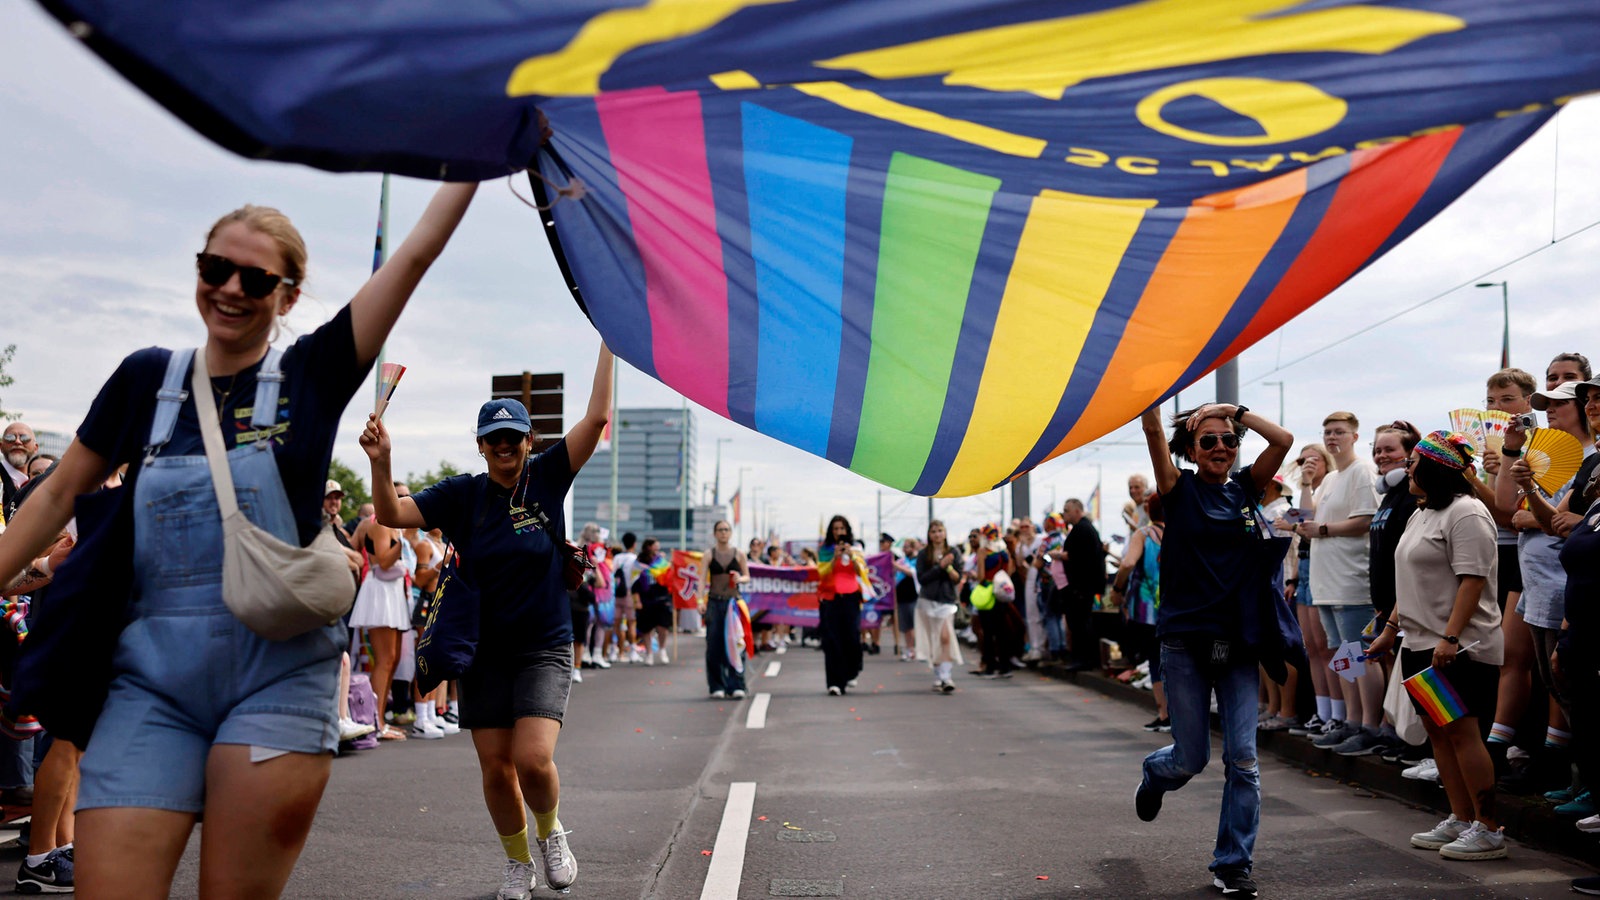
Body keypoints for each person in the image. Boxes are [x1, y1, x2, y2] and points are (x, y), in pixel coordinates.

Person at [0, 182, 478, 896]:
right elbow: (59, 493)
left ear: (287, 296)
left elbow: (412, 258)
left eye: (255, 278)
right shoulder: (144, 379)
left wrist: (474, 163)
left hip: (278, 679)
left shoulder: (312, 375)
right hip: (150, 678)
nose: (229, 288)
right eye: (213, 268)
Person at [362, 342, 612, 899]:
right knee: (497, 768)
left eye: (514, 437)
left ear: (530, 441)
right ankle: (517, 863)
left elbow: (596, 417)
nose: (505, 446)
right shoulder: (463, 494)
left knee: (533, 758)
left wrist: (608, 339)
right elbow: (391, 514)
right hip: (483, 651)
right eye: (493, 439)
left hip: (544, 645)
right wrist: (381, 462)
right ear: (480, 446)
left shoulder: (548, 477)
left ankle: (551, 835)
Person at [1133, 401, 1293, 899]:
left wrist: (1234, 411)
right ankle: (1156, 773)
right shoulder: (1177, 490)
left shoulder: (1247, 487)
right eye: (1209, 440)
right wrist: (1152, 393)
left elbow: (1283, 442)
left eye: (1229, 439)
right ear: (1192, 449)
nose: (1221, 446)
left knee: (1243, 759)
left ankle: (1232, 863)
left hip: (1239, 641)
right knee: (1191, 758)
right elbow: (1154, 426)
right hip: (1183, 640)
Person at [1366, 431, 1504, 861]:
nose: (1406, 468)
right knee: (1438, 734)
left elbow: (1472, 580)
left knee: (1462, 733)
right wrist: (1390, 629)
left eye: (1413, 462)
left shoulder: (1467, 513)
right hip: (1420, 643)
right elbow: (1407, 585)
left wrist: (1450, 637)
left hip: (1461, 647)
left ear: (1433, 468)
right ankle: (1460, 817)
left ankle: (1489, 827)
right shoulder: (1421, 512)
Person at [1297, 412, 1382, 756]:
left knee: (1359, 655)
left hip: (1350, 580)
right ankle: (1352, 720)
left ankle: (1370, 726)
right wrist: (1304, 483)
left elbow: (1367, 519)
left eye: (1339, 432)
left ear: (1354, 436)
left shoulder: (1361, 472)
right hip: (1326, 582)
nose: (1332, 438)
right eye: (1328, 432)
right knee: (1343, 656)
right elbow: (1306, 520)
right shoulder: (1331, 479)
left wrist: (1325, 530)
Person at [349, 500, 411, 740]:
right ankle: (375, 722)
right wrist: (402, 542)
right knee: (384, 660)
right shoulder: (381, 525)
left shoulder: (392, 528)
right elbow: (384, 561)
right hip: (380, 592)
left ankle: (380, 719)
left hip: (392, 591)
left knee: (392, 660)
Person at [1114, 495, 1167, 731]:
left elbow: (1127, 564)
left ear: (1149, 509)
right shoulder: (1181, 533)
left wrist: (1117, 588)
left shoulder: (1143, 534)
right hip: (1177, 604)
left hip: (1147, 609)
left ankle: (1165, 714)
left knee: (1156, 659)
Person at [817, 515, 870, 696]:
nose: (839, 532)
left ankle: (852, 671)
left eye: (842, 529)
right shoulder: (825, 549)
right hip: (831, 598)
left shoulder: (856, 548)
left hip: (851, 598)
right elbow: (822, 573)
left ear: (847, 530)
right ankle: (834, 682)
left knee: (852, 637)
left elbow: (862, 572)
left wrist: (851, 556)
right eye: (835, 529)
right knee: (832, 640)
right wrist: (835, 557)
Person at [698, 520, 749, 699]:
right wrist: (700, 600)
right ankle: (716, 685)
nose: (723, 533)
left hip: (733, 604)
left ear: (731, 533)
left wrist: (739, 580)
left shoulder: (739, 554)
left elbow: (747, 576)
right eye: (720, 530)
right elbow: (702, 579)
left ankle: (736, 684)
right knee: (714, 645)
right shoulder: (709, 554)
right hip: (714, 602)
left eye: (726, 530)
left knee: (736, 643)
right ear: (715, 533)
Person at [914, 520, 964, 692]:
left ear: (945, 533)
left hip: (947, 600)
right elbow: (922, 578)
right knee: (932, 638)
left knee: (945, 636)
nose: (937, 534)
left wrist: (948, 568)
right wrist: (938, 567)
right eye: (934, 531)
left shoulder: (953, 552)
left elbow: (958, 578)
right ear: (929, 534)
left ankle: (946, 676)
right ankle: (937, 672)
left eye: (940, 531)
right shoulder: (923, 554)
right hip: (927, 599)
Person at [1059, 499, 1105, 671]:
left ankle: (1084, 659)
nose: (1064, 514)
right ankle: (1082, 658)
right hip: (1082, 586)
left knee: (1080, 623)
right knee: (1078, 623)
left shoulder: (1082, 530)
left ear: (1077, 511)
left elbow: (1082, 558)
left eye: (1067, 510)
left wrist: (1063, 556)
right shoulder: (1082, 529)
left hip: (1081, 587)